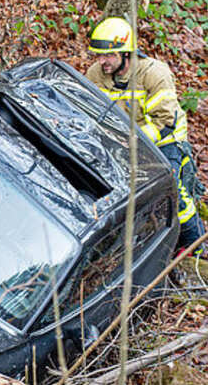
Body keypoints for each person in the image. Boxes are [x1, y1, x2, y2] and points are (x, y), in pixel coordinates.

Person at [86, 16, 206, 255]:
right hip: (122, 141)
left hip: (165, 141)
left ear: (127, 54)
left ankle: (196, 243)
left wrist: (134, 141)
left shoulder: (154, 74)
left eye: (108, 56)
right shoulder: (96, 74)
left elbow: (165, 122)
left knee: (173, 192)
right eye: (99, 56)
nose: (102, 62)